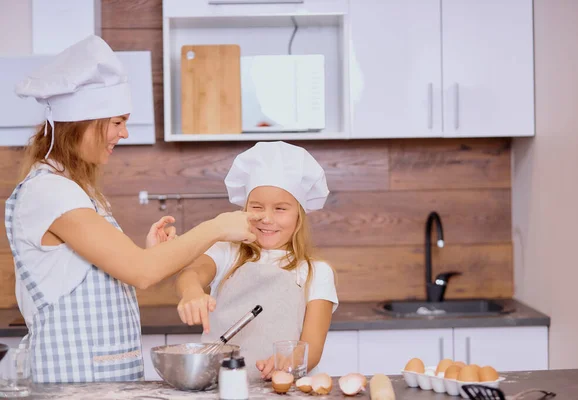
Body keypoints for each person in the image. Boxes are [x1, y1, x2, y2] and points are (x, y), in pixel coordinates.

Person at [5, 35, 257, 383]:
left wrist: (152, 254)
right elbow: (142, 272)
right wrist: (217, 227)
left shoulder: (73, 189)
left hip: (100, 379)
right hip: (72, 384)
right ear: (83, 123)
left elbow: (128, 271)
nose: (123, 134)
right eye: (117, 122)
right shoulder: (50, 192)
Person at [175, 141, 338, 383]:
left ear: (299, 215)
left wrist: (287, 362)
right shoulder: (227, 252)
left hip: (281, 389)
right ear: (245, 208)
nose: (266, 218)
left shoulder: (316, 272)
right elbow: (194, 272)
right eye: (257, 207)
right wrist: (191, 292)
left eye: (280, 209)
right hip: (219, 386)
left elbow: (311, 349)